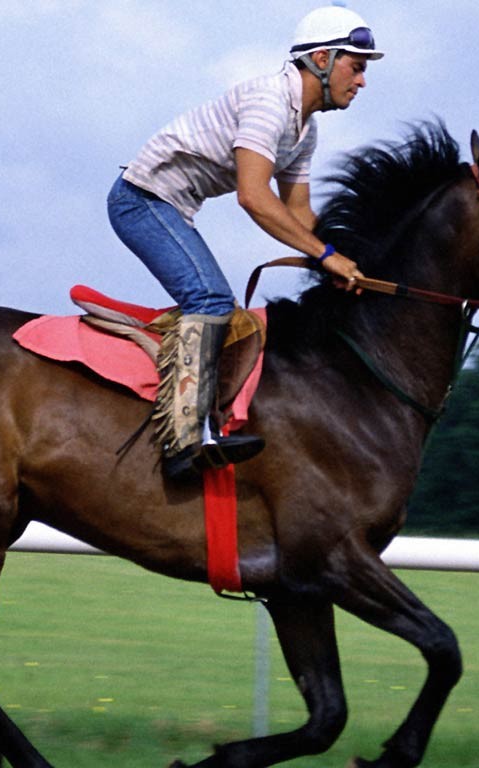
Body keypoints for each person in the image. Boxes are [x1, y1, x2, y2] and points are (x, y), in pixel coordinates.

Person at [107, 3, 384, 480]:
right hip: (140, 200)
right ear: (321, 59)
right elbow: (254, 198)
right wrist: (326, 256)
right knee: (211, 299)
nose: (361, 82)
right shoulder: (269, 103)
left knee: (224, 308)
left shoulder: (305, 130)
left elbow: (298, 212)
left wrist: (346, 262)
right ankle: (182, 442)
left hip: (170, 206)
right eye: (355, 67)